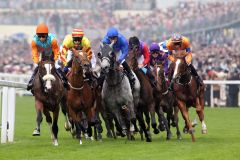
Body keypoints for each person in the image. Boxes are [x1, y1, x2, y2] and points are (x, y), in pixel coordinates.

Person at [26, 23, 69, 91]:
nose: (41, 38)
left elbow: (56, 51)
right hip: (41, 53)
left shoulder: (53, 40)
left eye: (43, 36)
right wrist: (37, 62)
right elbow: (35, 53)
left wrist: (55, 59)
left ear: (46, 35)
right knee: (36, 67)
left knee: (57, 66)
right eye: (39, 36)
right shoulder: (34, 41)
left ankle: (64, 80)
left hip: (51, 52)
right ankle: (31, 82)